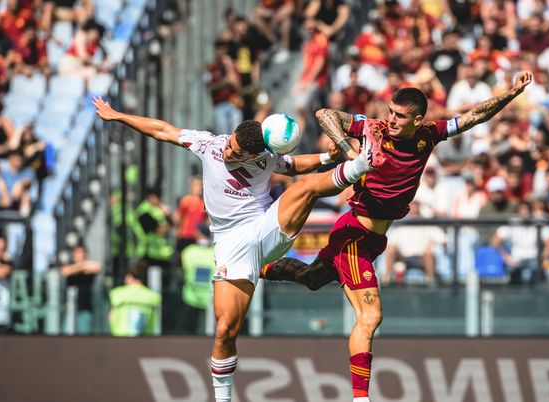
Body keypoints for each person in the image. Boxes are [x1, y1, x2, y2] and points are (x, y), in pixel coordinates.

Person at [261, 71, 533, 402]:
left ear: (417, 120)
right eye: (390, 111)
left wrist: (511, 94)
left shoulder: (429, 135)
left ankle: (260, 269)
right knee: (371, 315)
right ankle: (361, 399)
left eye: (400, 116)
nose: (390, 119)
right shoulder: (371, 129)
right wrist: (349, 149)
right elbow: (325, 115)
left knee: (312, 278)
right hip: (354, 235)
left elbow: (474, 115)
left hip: (373, 239)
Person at [93, 94, 384, 402]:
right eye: (230, 143)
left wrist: (327, 159)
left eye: (235, 150)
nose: (227, 150)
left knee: (304, 188)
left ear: (253, 154)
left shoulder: (267, 158)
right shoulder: (210, 145)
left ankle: (362, 163)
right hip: (229, 243)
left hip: (265, 227)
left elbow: (294, 165)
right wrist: (118, 115)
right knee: (224, 331)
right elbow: (163, 130)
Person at [108, 260, 161, 336]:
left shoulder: (117, 294)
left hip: (120, 338)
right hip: (144, 341)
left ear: (129, 276)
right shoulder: (153, 297)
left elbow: (111, 318)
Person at [181, 224, 215, 334]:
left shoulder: (188, 251)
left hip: (190, 295)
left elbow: (184, 268)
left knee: (190, 331)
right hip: (210, 297)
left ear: (197, 234)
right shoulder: (216, 252)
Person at [61, 243, 101, 334]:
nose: (81, 255)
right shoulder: (74, 266)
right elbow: (65, 271)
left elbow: (97, 267)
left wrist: (78, 267)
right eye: (78, 252)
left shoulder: (86, 267)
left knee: (84, 333)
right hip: (70, 307)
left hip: (85, 307)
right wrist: (81, 266)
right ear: (73, 254)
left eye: (83, 252)